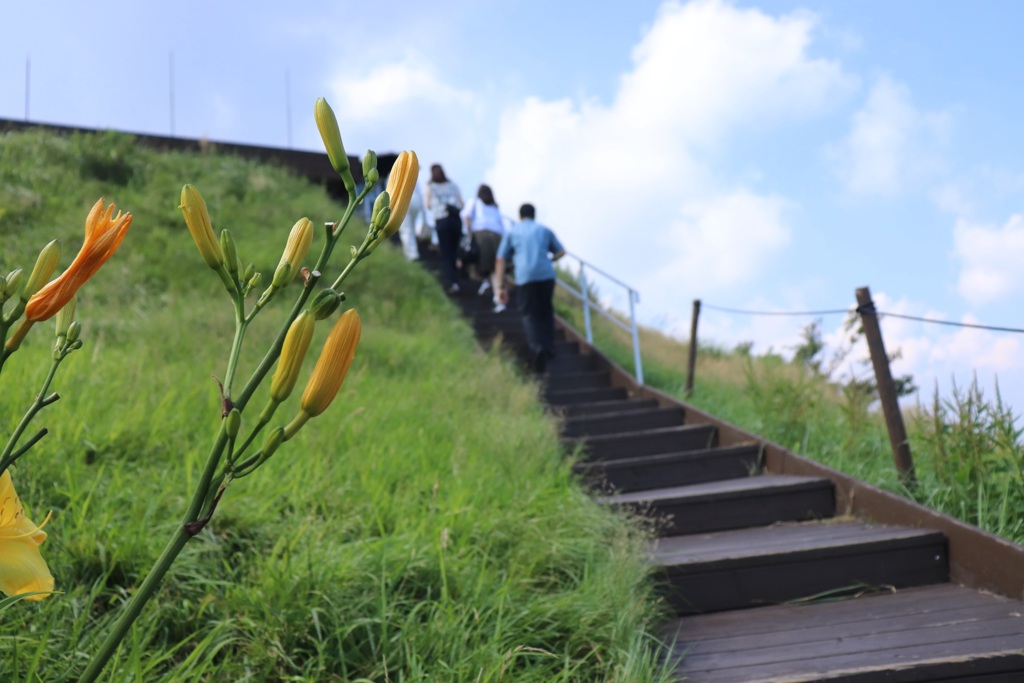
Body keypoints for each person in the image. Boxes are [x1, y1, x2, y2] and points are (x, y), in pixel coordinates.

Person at [495, 203, 566, 372]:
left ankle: (537, 347)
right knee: (546, 311)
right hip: (546, 275)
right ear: (534, 215)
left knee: (529, 313)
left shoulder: (512, 232)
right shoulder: (544, 230)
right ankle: (549, 347)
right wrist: (550, 259)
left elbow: (500, 258)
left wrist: (499, 286)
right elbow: (561, 251)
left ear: (520, 216)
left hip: (525, 277)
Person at [461, 184, 505, 302]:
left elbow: (466, 216)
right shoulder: (495, 207)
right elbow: (501, 225)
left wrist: (469, 232)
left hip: (481, 234)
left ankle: (485, 283)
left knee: (479, 262)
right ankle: (497, 294)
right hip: (497, 236)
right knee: (494, 267)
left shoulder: (474, 202)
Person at [423, 164, 464, 293]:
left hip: (442, 221)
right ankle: (457, 279)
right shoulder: (453, 185)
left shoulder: (431, 186)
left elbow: (428, 204)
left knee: (446, 252)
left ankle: (451, 282)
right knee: (454, 251)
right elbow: (462, 204)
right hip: (456, 220)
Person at [397, 182, 425, 261]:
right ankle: (413, 252)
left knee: (406, 229)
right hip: (415, 200)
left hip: (403, 200)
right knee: (411, 228)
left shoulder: (391, 175)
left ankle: (411, 255)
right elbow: (420, 193)